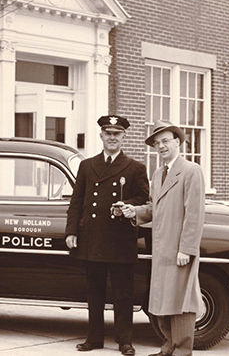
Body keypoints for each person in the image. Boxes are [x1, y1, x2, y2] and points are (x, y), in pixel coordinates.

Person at [65, 115, 149, 355]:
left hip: (120, 239)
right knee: (95, 292)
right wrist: (71, 231)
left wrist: (127, 205)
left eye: (117, 134)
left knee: (122, 294)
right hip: (93, 237)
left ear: (124, 137)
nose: (112, 138)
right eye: (108, 133)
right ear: (101, 136)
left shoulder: (135, 167)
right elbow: (77, 201)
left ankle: (124, 341)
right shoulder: (87, 165)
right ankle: (94, 339)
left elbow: (144, 199)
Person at [121, 120, 205, 356]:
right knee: (162, 300)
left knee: (181, 302)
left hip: (179, 249)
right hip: (160, 248)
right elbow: (154, 209)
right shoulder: (158, 174)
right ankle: (168, 345)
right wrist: (134, 212)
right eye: (157, 143)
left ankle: (182, 350)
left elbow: (195, 214)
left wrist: (186, 249)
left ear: (177, 141)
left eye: (165, 141)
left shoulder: (191, 171)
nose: (161, 146)